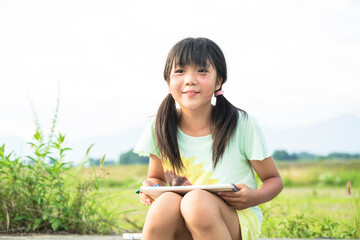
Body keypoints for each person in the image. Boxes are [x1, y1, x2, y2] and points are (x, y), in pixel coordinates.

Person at [133, 37, 284, 240]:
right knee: (165, 203)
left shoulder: (241, 124)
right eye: (180, 71)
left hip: (233, 220)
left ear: (218, 81)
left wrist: (252, 197)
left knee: (195, 202)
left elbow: (274, 180)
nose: (190, 79)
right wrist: (151, 187)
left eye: (202, 71)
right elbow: (156, 178)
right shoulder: (159, 125)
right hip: (183, 220)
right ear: (168, 81)